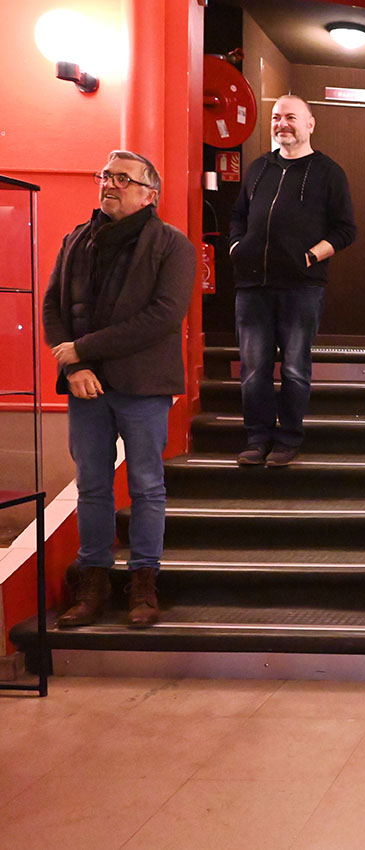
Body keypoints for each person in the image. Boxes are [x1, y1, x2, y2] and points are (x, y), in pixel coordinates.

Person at [43, 150, 195, 628]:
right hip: (85, 385)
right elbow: (52, 307)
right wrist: (75, 365)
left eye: (123, 178)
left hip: (143, 386)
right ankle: (93, 584)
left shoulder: (172, 245)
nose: (110, 184)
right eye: (106, 176)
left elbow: (162, 317)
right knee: (92, 485)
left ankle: (143, 582)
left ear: (151, 194)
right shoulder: (76, 239)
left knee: (146, 486)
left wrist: (83, 348)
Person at [228, 94, 356, 468]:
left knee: (295, 369)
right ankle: (257, 438)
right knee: (254, 369)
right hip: (252, 287)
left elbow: (346, 230)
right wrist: (236, 246)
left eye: (291, 117)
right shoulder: (258, 168)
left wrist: (311, 256)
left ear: (310, 124)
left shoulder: (329, 172)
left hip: (302, 288)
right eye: (276, 117)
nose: (281, 123)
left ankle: (288, 439)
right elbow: (238, 216)